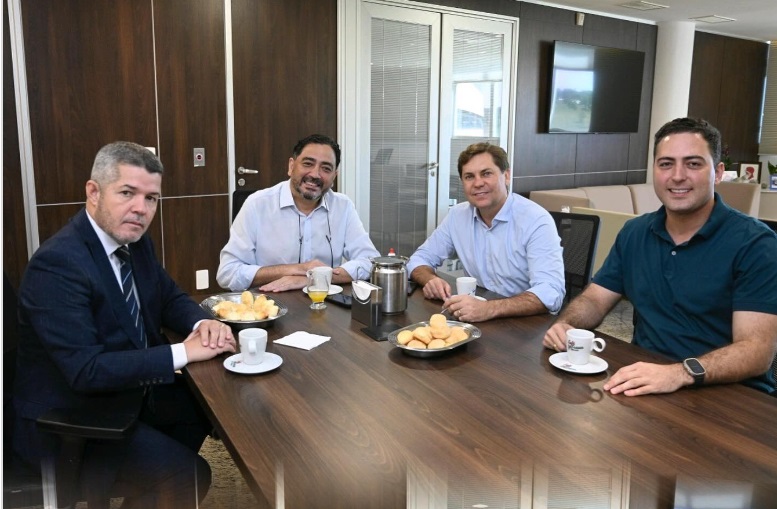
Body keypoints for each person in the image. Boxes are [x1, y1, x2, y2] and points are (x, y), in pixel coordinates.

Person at [13, 141, 237, 508]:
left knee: (203, 408)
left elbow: (168, 297)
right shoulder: (58, 264)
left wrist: (202, 322)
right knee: (191, 475)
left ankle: (147, 486)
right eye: (128, 193)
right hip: (67, 422)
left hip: (122, 395)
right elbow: (86, 370)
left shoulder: (133, 241)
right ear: (93, 192)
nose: (141, 209)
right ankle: (162, 479)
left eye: (151, 198)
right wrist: (183, 351)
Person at [544, 118, 777, 396]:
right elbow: (595, 299)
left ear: (717, 172)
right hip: (647, 380)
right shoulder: (635, 232)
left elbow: (757, 350)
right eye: (666, 164)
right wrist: (566, 324)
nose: (677, 176)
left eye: (693, 163)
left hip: (732, 397)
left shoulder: (755, 243)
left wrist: (681, 373)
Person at [406, 142, 565, 322]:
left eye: (486, 174)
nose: (478, 183)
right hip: (477, 319)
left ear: (506, 176)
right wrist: (429, 279)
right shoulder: (457, 216)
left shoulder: (536, 220)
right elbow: (419, 259)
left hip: (527, 324)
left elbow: (551, 292)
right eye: (469, 177)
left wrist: (488, 309)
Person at [217, 134, 380, 292]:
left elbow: (370, 261)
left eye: (326, 168)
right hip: (269, 306)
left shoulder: (343, 206)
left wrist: (313, 279)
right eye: (308, 164)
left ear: (334, 176)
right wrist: (297, 269)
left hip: (325, 306)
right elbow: (228, 273)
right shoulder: (257, 204)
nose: (315, 174)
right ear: (291, 166)